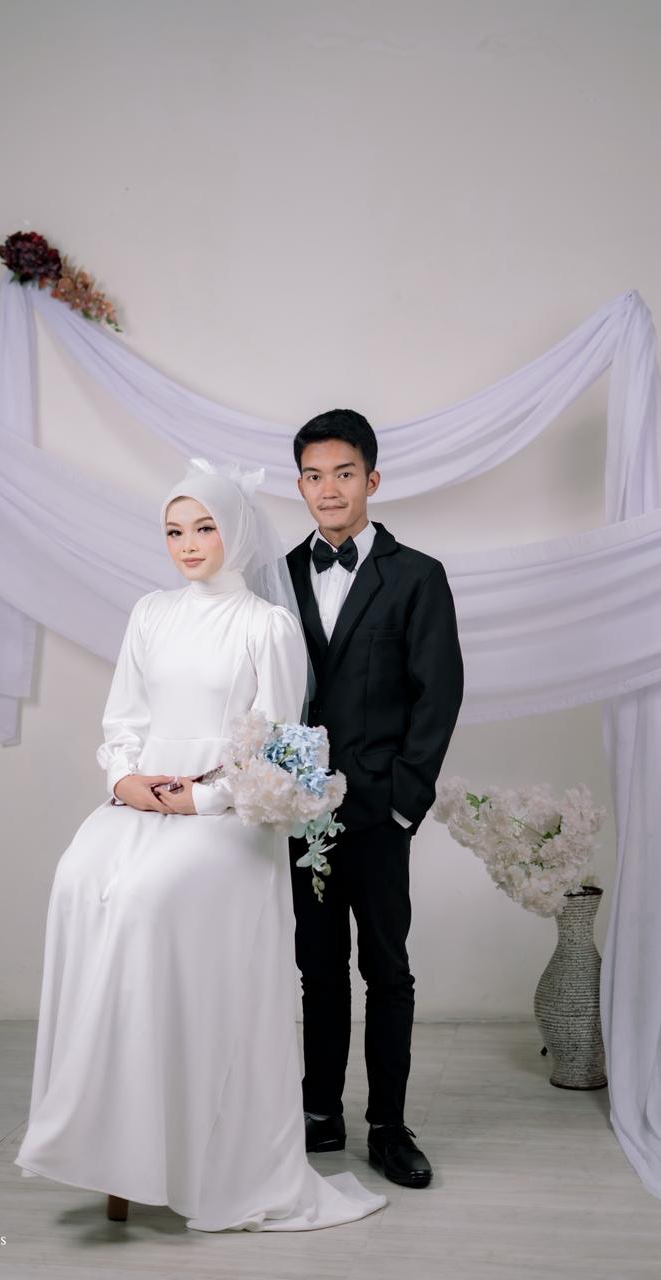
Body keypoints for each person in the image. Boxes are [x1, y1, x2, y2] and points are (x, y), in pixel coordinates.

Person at [14, 459, 388, 1232]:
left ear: (236, 531)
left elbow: (281, 747)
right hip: (142, 802)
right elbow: (123, 719)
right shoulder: (150, 613)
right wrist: (124, 780)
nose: (188, 544)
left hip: (227, 820)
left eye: (205, 527)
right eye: (175, 531)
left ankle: (167, 1138)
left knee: (144, 901)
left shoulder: (266, 625)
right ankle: (94, 1132)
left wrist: (204, 798)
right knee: (77, 879)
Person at [286, 409, 464, 1190]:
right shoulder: (278, 576)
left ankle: (388, 1127)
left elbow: (439, 695)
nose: (329, 489)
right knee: (316, 970)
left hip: (379, 814)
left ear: (372, 480)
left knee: (386, 971)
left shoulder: (417, 575)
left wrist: (402, 804)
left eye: (344, 474)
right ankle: (319, 1112)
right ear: (300, 485)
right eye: (314, 475)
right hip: (301, 814)